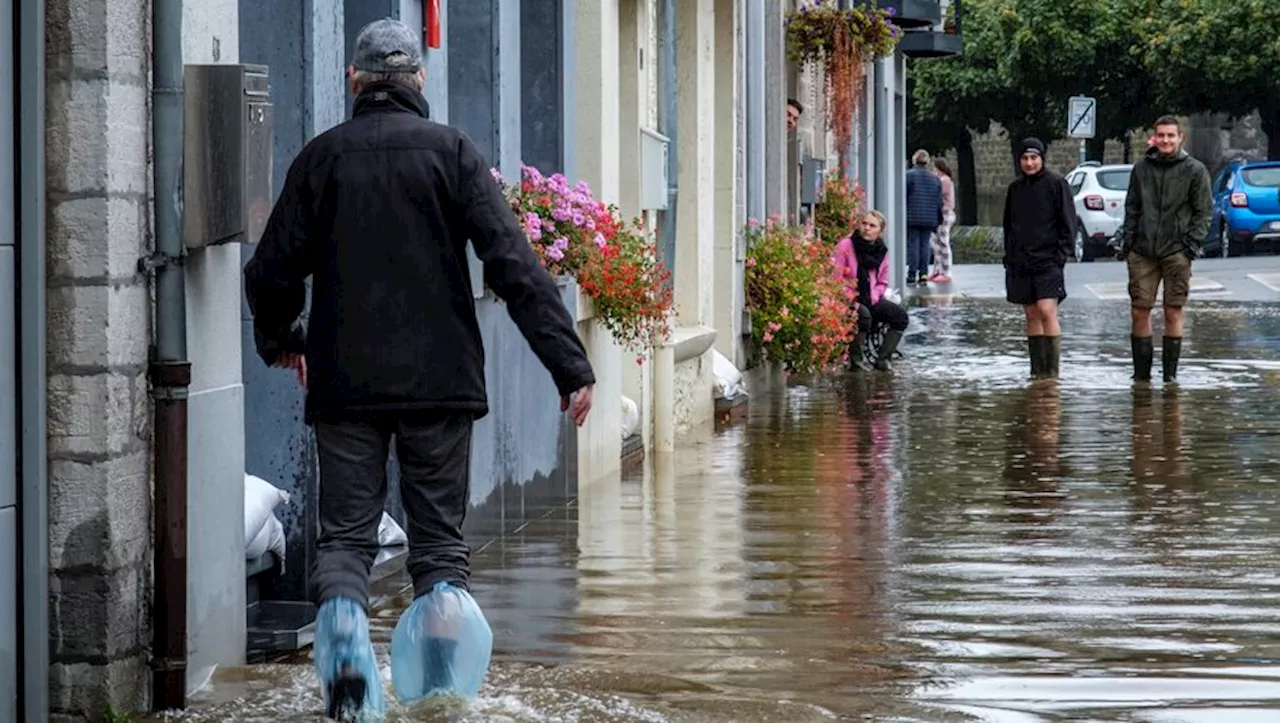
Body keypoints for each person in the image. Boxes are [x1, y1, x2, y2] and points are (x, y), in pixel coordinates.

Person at [243, 18, 596, 718]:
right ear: (420, 82)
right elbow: (514, 265)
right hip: (442, 385)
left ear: (354, 80)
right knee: (439, 548)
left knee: (345, 538)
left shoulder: (322, 159)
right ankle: (439, 692)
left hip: (345, 384)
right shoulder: (454, 154)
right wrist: (569, 366)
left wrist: (284, 337)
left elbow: (269, 269)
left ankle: (344, 646)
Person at [1120, 115, 1212, 383]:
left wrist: (1191, 245)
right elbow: (1132, 207)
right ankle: (1141, 375)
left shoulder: (1195, 170)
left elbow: (1203, 211)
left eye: (1171, 135)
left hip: (1177, 251)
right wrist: (1128, 243)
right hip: (1143, 250)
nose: (1166, 140)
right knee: (1139, 309)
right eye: (1161, 135)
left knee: (1173, 310)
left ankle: (1170, 376)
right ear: (1154, 138)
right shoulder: (1141, 169)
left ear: (1180, 137)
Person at [1002, 137, 1077, 380]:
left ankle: (1052, 372)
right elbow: (1008, 225)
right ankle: (1037, 371)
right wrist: (1010, 256)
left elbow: (1068, 222)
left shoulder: (1056, 184)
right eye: (1025, 158)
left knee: (1047, 309)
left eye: (1034, 158)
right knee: (1031, 313)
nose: (1029, 163)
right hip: (1021, 261)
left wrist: (1061, 255)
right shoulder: (1015, 189)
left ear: (1042, 159)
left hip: (1049, 260)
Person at [832, 210, 909, 372]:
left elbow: (882, 282)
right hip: (847, 297)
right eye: (864, 224)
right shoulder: (846, 245)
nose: (866, 228)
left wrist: (874, 296)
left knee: (900, 317)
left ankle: (883, 360)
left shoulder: (881, 251)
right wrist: (852, 297)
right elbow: (835, 278)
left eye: (872, 225)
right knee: (863, 315)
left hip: (871, 297)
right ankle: (856, 362)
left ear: (880, 231)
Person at [905, 149, 944, 286]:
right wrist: (939, 219)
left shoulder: (908, 176)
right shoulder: (935, 179)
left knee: (913, 245)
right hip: (929, 218)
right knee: (925, 246)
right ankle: (923, 274)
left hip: (912, 216)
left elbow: (904, 197)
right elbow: (939, 202)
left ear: (915, 160)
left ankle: (911, 274)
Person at [929, 157, 956, 283]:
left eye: (935, 168)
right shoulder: (942, 180)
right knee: (936, 244)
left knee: (943, 243)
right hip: (940, 214)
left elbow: (937, 195)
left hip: (945, 213)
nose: (934, 171)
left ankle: (946, 272)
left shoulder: (944, 180)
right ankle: (938, 271)